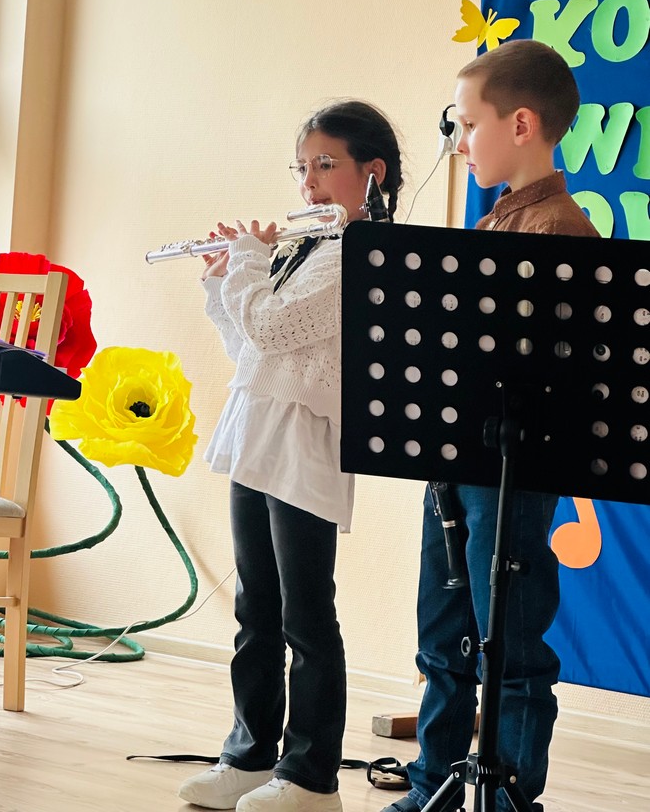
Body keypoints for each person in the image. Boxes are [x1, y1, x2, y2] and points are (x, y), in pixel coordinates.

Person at [380, 39, 601, 812]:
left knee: (510, 642)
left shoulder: (558, 232)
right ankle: (433, 785)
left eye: (467, 124)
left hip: (510, 471)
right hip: (456, 461)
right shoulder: (495, 222)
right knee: (443, 639)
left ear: (522, 124)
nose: (459, 142)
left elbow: (560, 380)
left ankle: (508, 797)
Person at [179, 100, 403, 812]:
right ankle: (249, 757)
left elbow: (274, 328)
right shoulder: (309, 248)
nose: (308, 183)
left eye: (325, 165)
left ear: (372, 173)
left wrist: (249, 263)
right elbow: (252, 349)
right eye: (302, 167)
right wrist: (223, 279)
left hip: (305, 446)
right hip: (258, 436)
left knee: (306, 615)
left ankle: (310, 777)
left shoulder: (361, 254)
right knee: (257, 610)